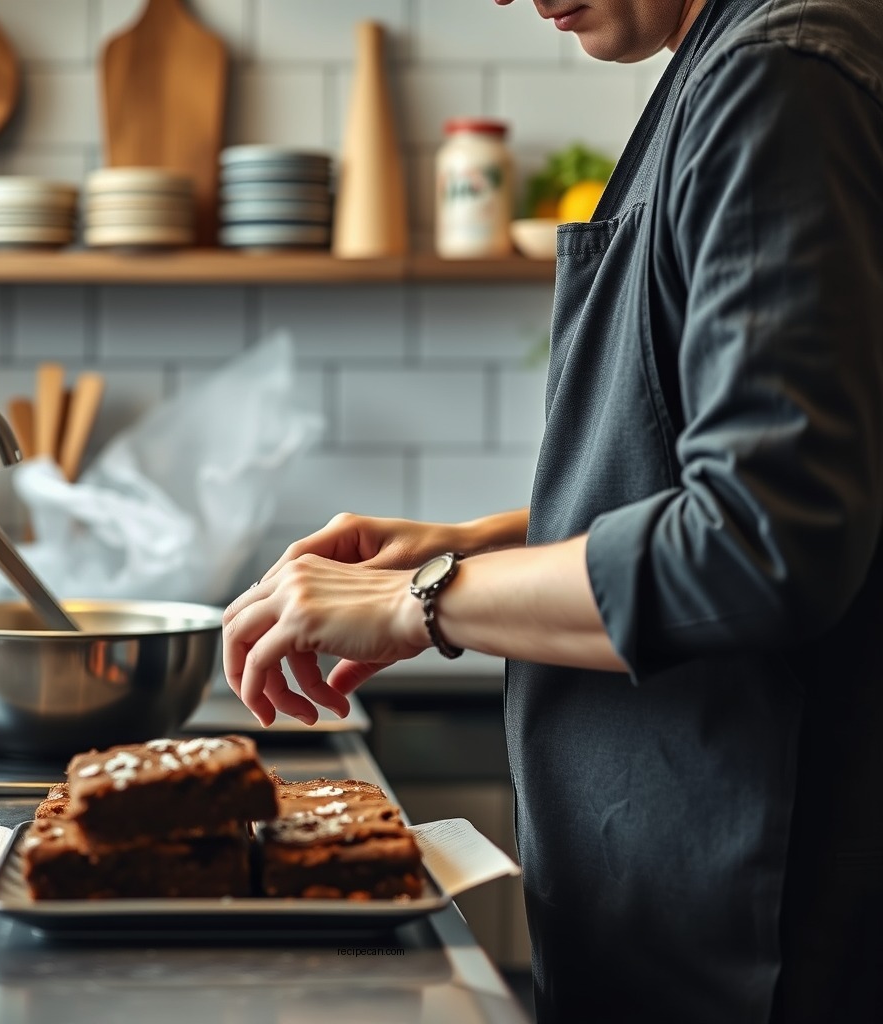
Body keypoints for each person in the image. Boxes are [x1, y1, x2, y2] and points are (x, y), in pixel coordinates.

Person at [222, 0, 883, 1019]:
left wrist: (424, 598)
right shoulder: (727, 66)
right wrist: (474, 541)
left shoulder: (779, 80)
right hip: (669, 920)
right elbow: (689, 481)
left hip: (752, 941)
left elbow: (757, 545)